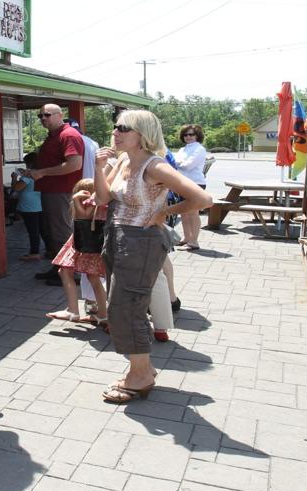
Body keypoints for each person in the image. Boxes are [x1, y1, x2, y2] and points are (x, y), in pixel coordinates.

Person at [92, 109, 211, 403]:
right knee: (121, 306)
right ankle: (141, 368)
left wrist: (164, 213)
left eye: (122, 128)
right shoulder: (121, 160)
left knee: (125, 307)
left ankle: (141, 374)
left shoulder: (154, 165)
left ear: (141, 134)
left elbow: (202, 198)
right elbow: (103, 198)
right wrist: (97, 167)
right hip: (116, 235)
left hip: (141, 242)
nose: (115, 133)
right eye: (115, 128)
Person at [28, 105, 85, 285]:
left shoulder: (68, 135)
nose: (43, 118)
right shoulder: (55, 135)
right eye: (40, 115)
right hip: (52, 191)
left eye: (47, 115)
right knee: (53, 232)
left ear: (60, 115)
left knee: (61, 232)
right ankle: (59, 269)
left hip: (61, 192)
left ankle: (71, 273)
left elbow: (74, 164)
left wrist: (42, 172)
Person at [43, 180, 108, 327]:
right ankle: (102, 315)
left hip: (84, 242)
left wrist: (76, 200)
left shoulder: (93, 201)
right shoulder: (102, 201)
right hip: (93, 243)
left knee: (65, 271)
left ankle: (73, 310)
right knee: (93, 278)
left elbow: (83, 217)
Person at [171, 123, 208, 250]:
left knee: (192, 212)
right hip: (182, 183)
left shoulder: (199, 149)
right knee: (184, 213)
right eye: (185, 134)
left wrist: (179, 163)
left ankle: (194, 241)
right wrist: (179, 163)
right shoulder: (183, 149)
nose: (188, 137)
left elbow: (188, 165)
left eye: (191, 134)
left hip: (196, 183)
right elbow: (175, 164)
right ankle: (186, 238)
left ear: (197, 136)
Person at [15, 152, 45, 261]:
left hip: (28, 206)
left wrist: (15, 178)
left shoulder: (29, 175)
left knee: (33, 230)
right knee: (41, 229)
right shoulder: (42, 173)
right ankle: (50, 249)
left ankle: (34, 252)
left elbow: (17, 188)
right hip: (39, 204)